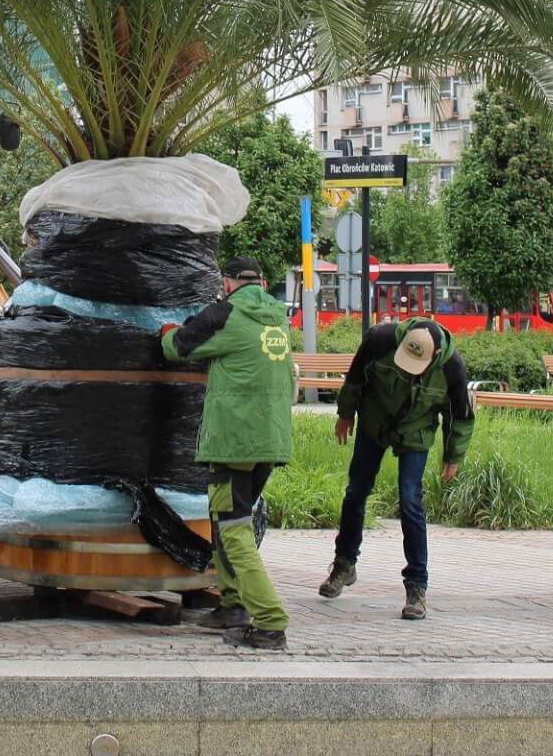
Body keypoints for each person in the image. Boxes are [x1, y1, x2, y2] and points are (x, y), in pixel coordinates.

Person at [161, 255, 295, 651]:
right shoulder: (278, 317)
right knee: (226, 522)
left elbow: (177, 346)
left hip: (233, 441)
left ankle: (270, 621)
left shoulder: (224, 313)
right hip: (270, 440)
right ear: (263, 283)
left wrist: (167, 330)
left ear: (229, 283)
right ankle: (233, 604)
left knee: (234, 531)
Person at [318, 316, 474, 620]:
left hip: (416, 430)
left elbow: (461, 416)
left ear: (434, 356)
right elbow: (355, 378)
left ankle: (417, 587)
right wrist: (345, 413)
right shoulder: (380, 339)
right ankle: (344, 564)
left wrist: (453, 456)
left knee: (410, 499)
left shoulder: (452, 366)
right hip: (374, 421)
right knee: (356, 492)